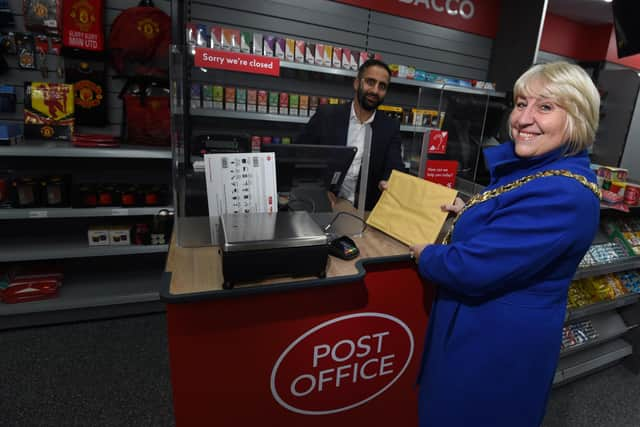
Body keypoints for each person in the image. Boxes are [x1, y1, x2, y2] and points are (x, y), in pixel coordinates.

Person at [409, 61, 602, 427]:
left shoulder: (562, 192)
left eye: (545, 107)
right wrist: (470, 212)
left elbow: (471, 268)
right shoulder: (539, 170)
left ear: (577, 117)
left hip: (494, 344)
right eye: (520, 103)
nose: (524, 118)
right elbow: (515, 228)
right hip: (483, 331)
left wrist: (426, 254)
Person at [295, 58, 405, 210]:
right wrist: (320, 189)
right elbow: (301, 156)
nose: (375, 91)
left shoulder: (390, 126)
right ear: (356, 83)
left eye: (382, 86)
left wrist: (387, 181)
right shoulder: (326, 115)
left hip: (365, 210)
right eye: (370, 82)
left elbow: (395, 166)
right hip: (324, 205)